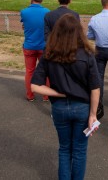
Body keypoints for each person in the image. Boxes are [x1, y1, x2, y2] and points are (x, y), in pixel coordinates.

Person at [31, 14, 100, 179]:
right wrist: (93, 114)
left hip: (60, 108)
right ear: (78, 32)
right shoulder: (87, 55)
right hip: (82, 108)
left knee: (64, 148)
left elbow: (34, 86)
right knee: (79, 150)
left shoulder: (49, 54)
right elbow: (95, 88)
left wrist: (57, 93)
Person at [20, 0, 50, 102]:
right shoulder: (47, 12)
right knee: (46, 71)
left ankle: (30, 95)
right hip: (43, 46)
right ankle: (46, 96)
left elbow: (25, 24)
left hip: (29, 46)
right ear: (41, 0)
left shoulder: (24, 12)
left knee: (29, 71)